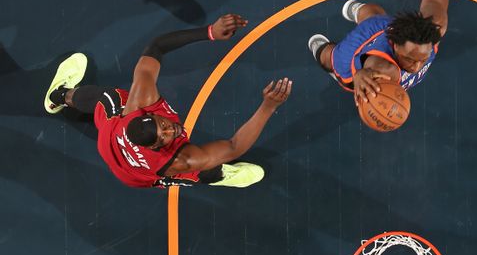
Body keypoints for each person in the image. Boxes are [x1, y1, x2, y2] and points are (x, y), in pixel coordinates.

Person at [44, 14, 292, 188]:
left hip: (109, 139)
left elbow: (157, 46)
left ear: (146, 114)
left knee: (107, 97)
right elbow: (234, 146)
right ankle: (221, 176)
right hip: (136, 174)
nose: (170, 129)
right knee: (200, 169)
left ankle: (59, 95)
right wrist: (268, 107)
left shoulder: (139, 101)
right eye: (163, 137)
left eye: (162, 125)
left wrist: (210, 32)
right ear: (154, 147)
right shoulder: (179, 159)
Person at [307, 0, 477, 104]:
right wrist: (359, 75)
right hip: (353, 58)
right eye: (410, 59)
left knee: (375, 15)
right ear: (394, 44)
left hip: (382, 26)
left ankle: (358, 11)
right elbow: (367, 71)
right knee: (329, 57)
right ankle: (323, 52)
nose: (416, 67)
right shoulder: (383, 67)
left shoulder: (435, 26)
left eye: (421, 59)